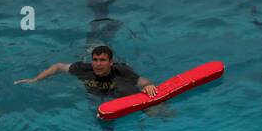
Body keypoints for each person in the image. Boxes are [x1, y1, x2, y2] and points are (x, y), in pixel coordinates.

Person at [15, 44, 158, 97]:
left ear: (110, 62)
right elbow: (58, 66)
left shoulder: (121, 71)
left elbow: (143, 81)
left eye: (102, 60)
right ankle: (92, 46)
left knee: (124, 90)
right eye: (95, 60)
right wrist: (36, 79)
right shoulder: (83, 69)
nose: (98, 64)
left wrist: (148, 86)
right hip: (95, 91)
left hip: (115, 86)